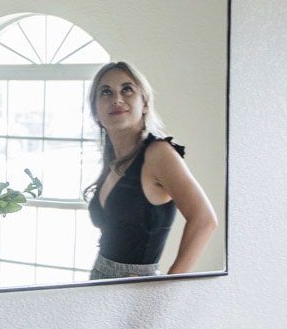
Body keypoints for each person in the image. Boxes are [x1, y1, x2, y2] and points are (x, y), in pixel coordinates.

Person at [85, 61, 217, 281]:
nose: (117, 99)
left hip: (136, 290)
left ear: (145, 102)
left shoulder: (158, 153)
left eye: (127, 89)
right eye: (105, 92)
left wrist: (167, 286)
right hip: (98, 280)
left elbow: (204, 220)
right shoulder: (113, 160)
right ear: (96, 111)